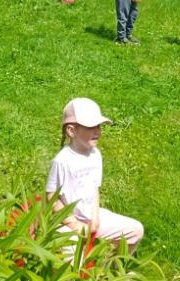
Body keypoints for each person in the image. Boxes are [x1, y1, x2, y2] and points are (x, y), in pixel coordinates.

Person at [47, 98, 144, 252]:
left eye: (98, 126)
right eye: (90, 127)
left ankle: (109, 264)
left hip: (91, 216)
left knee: (135, 230)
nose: (97, 131)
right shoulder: (62, 161)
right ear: (71, 131)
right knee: (71, 254)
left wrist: (96, 215)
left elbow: (94, 188)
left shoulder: (95, 154)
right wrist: (73, 224)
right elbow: (52, 199)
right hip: (66, 222)